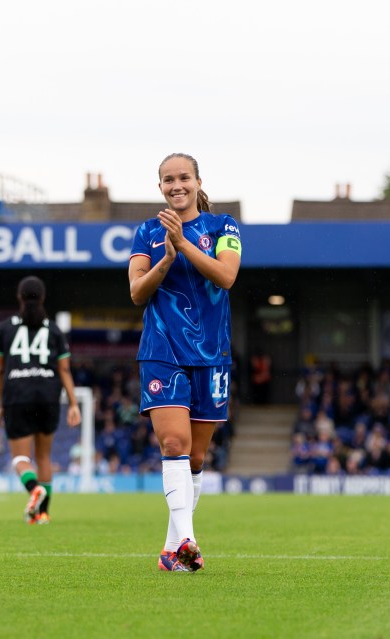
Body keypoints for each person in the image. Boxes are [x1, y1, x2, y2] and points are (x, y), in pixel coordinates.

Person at [128, 153, 241, 572]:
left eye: (183, 178)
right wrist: (166, 259)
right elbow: (138, 292)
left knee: (195, 459)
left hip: (213, 355)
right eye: (168, 180)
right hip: (163, 349)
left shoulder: (223, 226)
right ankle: (190, 542)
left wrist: (183, 245)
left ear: (197, 181)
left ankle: (170, 548)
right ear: (159, 187)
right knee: (174, 445)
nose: (176, 185)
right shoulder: (145, 232)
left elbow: (227, 277)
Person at [0, 276, 81, 524]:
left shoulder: (4, 328)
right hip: (48, 396)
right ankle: (43, 513)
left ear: (19, 297)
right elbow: (64, 370)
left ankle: (34, 490)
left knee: (21, 459)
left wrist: (2, 403)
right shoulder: (54, 329)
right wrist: (73, 403)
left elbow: (0, 370)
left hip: (17, 395)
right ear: (43, 298)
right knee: (44, 457)